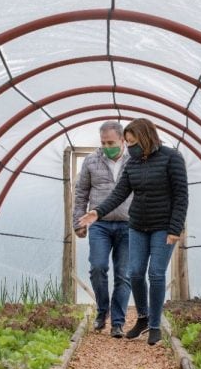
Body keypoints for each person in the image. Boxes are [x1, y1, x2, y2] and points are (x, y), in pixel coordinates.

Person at [79, 118, 188, 345]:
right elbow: (119, 193)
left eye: (132, 141)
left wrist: (175, 228)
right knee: (135, 273)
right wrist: (97, 213)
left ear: (146, 137)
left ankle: (155, 325)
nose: (129, 147)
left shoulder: (172, 158)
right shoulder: (133, 164)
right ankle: (143, 318)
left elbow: (181, 196)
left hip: (163, 227)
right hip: (137, 225)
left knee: (156, 274)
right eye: (127, 142)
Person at [72, 121, 132, 338]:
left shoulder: (134, 160)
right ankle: (102, 311)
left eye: (111, 142)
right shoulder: (91, 161)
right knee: (97, 267)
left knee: (124, 274)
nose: (107, 146)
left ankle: (118, 322)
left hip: (129, 224)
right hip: (100, 224)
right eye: (103, 142)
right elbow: (81, 194)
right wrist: (79, 223)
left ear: (122, 140)